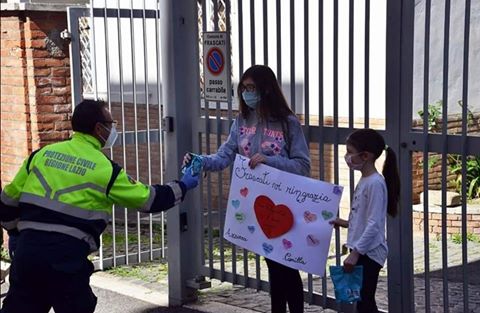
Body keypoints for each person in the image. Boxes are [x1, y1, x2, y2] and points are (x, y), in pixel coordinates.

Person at [0, 99, 199, 313]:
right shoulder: (105, 170)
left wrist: (15, 233)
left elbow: (7, 200)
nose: (113, 129)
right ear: (98, 128)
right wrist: (183, 185)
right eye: (111, 123)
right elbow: (148, 199)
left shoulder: (40, 156)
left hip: (28, 254)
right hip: (66, 259)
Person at [184, 65, 310, 313]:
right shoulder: (241, 121)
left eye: (251, 88)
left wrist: (269, 160)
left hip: (284, 204)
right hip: (256, 203)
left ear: (266, 89)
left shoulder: (288, 123)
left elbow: (302, 165)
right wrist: (199, 161)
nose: (246, 93)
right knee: (272, 264)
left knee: (286, 264)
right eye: (243, 88)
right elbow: (225, 156)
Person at [330, 128, 400, 313]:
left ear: (365, 156)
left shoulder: (375, 183)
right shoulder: (366, 180)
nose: (347, 157)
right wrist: (345, 223)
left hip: (369, 253)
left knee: (365, 302)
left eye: (350, 152)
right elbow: (365, 217)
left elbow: (374, 224)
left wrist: (355, 254)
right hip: (363, 251)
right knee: (362, 301)